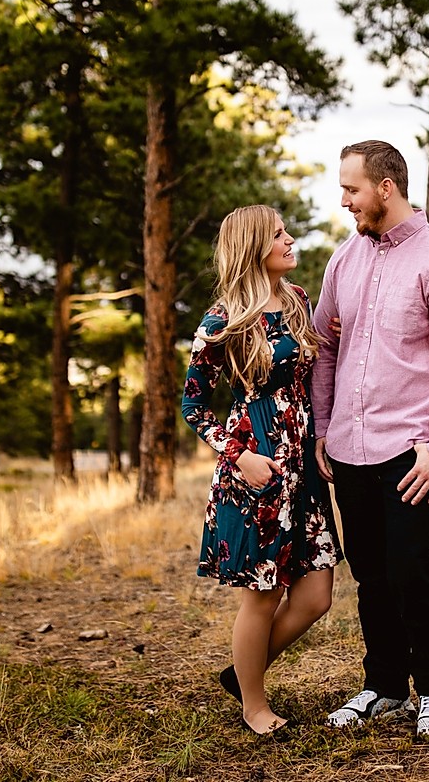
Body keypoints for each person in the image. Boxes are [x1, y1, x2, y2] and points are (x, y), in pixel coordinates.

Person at [311, 140, 429, 739]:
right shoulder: (344, 261)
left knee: (414, 571)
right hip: (350, 452)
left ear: (386, 187)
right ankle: (384, 687)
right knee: (371, 575)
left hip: (417, 453)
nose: (344, 201)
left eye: (351, 189)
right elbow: (324, 349)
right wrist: (323, 429)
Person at [182, 204, 344, 735]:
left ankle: (242, 671)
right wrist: (239, 457)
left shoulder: (297, 301)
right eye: (279, 234)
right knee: (264, 594)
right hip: (257, 465)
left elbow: (317, 365)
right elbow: (194, 408)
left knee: (317, 593)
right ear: (255, 246)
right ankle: (254, 704)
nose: (290, 239)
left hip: (304, 465)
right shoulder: (221, 320)